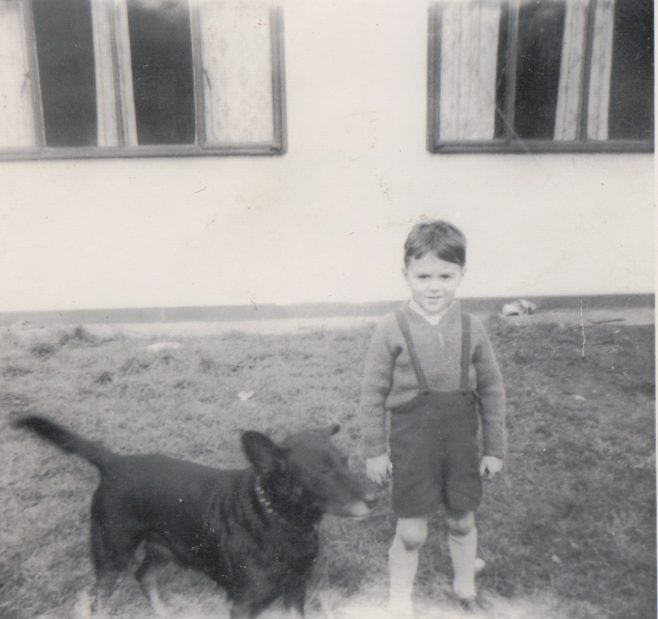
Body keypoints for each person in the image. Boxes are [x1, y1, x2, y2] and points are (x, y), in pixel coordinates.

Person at [359, 220, 506, 615]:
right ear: (405, 274)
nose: (434, 285)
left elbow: (491, 389)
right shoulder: (391, 328)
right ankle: (399, 600)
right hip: (413, 444)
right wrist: (375, 451)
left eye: (446, 275)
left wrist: (494, 449)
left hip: (459, 443)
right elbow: (372, 395)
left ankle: (465, 587)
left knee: (462, 520)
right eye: (423, 275)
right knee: (411, 531)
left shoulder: (472, 328)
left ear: (461, 275)